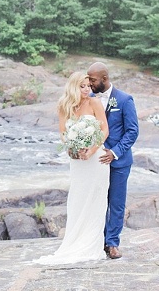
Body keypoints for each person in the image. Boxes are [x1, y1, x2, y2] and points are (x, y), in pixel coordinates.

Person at [35, 71, 109, 264]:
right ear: (73, 87)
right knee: (77, 199)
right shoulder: (64, 105)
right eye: (82, 86)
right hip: (77, 160)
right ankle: (74, 242)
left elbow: (104, 130)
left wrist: (92, 150)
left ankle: (92, 245)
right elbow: (63, 132)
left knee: (95, 201)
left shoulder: (94, 103)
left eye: (88, 86)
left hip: (96, 159)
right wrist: (72, 148)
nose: (86, 90)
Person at [87, 61, 139, 260]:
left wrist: (115, 152)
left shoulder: (125, 100)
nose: (90, 84)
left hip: (119, 161)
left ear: (105, 79)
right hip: (96, 161)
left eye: (93, 80)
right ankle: (96, 241)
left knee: (116, 203)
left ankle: (112, 243)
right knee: (97, 202)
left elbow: (132, 131)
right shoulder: (89, 99)